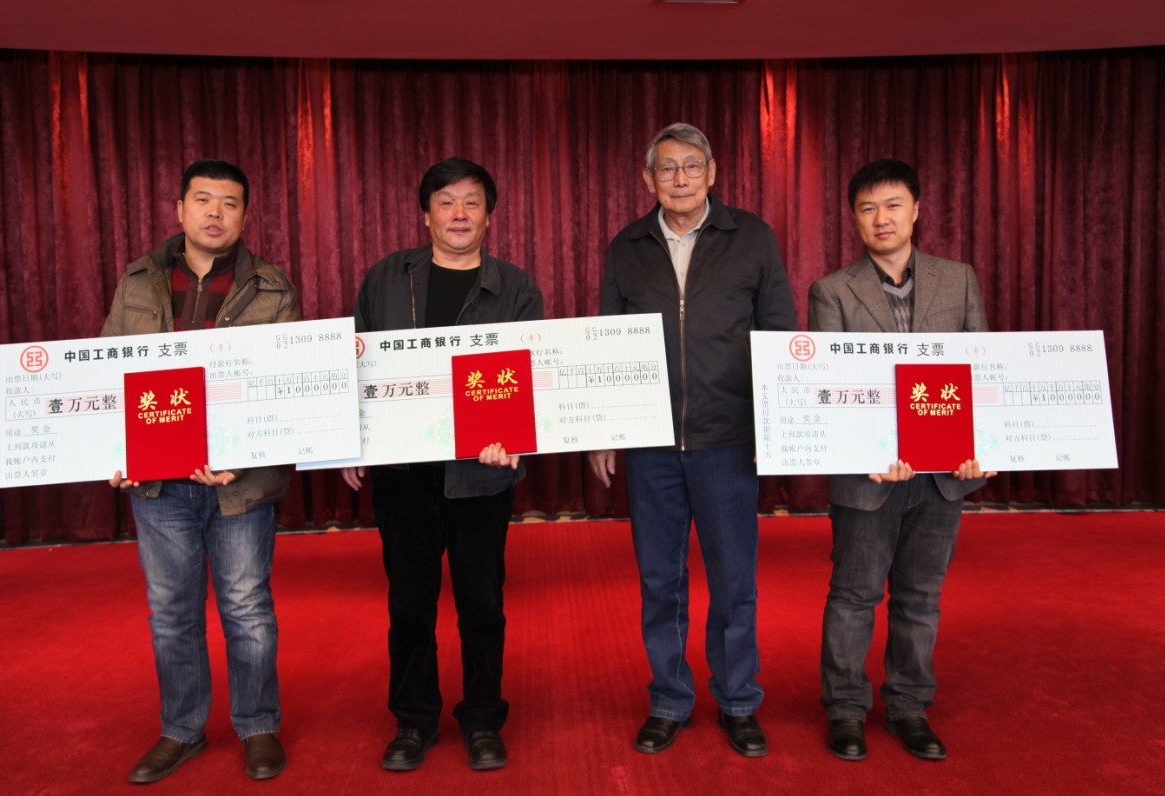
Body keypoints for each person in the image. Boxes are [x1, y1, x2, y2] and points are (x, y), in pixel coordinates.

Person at [589, 123, 796, 758]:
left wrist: (774, 422)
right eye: (667, 168)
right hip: (651, 442)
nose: (680, 178)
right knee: (660, 579)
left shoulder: (751, 237)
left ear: (712, 173)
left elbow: (779, 331)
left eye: (691, 166)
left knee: (734, 579)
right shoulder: (627, 245)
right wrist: (606, 428)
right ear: (648, 179)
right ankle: (669, 700)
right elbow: (607, 339)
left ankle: (738, 701)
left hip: (728, 438)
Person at [341, 157, 543, 773]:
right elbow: (354, 363)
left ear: (489, 216)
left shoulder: (516, 288)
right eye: (446, 202)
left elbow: (531, 377)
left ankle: (482, 719)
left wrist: (513, 438)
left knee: (482, 603)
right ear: (425, 214)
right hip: (404, 473)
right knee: (409, 604)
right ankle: (414, 720)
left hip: (481, 473)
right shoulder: (385, 278)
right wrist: (350, 438)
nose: (459, 214)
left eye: (472, 202)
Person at [104, 159, 299, 784]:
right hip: (159, 484)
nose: (215, 213)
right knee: (171, 612)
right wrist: (112, 451)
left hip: (241, 484)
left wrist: (241, 453)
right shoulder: (138, 279)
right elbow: (109, 370)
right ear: (180, 208)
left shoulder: (272, 286)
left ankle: (258, 725)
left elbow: (284, 384)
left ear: (245, 215)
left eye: (229, 203)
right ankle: (182, 729)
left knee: (247, 608)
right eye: (203, 200)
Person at [808, 158, 994, 762]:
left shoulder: (958, 279)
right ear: (854, 219)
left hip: (943, 477)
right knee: (854, 595)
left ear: (916, 210)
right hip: (868, 478)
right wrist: (868, 450)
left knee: (920, 598)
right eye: (868, 208)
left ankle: (910, 705)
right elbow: (828, 387)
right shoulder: (832, 291)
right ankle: (845, 707)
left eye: (892, 205)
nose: (881, 218)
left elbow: (982, 372)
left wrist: (983, 447)